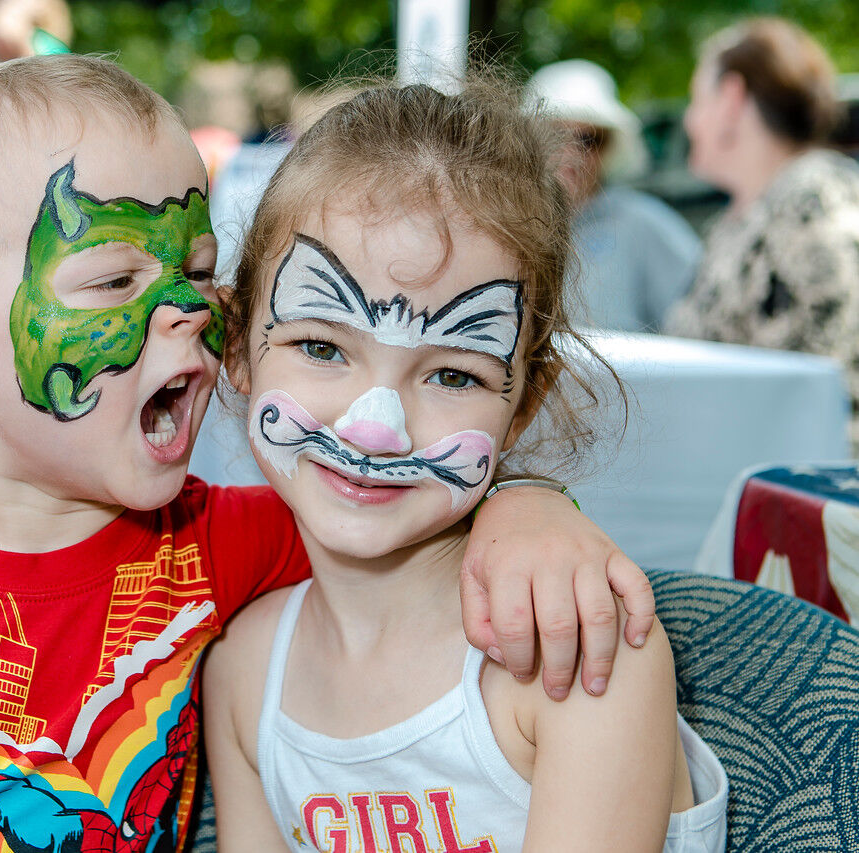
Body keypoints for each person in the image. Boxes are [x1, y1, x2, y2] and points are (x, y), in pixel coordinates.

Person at [0, 56, 656, 850]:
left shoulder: (228, 545)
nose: (184, 309)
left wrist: (528, 507)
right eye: (115, 278)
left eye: (199, 269)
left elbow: (392, 495)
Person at [204, 78, 728, 851]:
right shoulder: (245, 671)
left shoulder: (572, 649)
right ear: (238, 345)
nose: (375, 428)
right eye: (321, 346)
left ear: (524, 404)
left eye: (452, 374)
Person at [664, 18, 859, 448]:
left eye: (697, 99)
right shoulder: (743, 217)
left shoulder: (815, 201)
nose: (690, 121)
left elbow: (838, 390)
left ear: (731, 99)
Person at [527, 59, 701, 333]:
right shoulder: (499, 224)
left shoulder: (643, 224)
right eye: (556, 134)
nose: (572, 152)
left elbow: (707, 318)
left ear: (608, 148)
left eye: (588, 140)